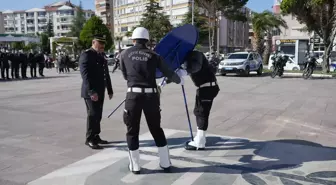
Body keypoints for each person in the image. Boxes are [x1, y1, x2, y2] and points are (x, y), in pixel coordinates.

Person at [120, 27, 182, 174]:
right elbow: (169, 74)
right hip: (151, 97)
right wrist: (178, 78)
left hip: (133, 96)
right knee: (156, 129)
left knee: (132, 130)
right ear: (147, 40)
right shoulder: (155, 55)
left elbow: (125, 76)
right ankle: (165, 163)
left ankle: (135, 166)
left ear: (133, 40)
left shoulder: (123, 54)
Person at [79, 34, 114, 150]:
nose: (103, 45)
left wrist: (109, 89)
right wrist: (91, 91)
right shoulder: (86, 55)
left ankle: (96, 135)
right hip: (91, 92)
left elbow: (106, 74)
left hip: (100, 90)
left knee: (98, 115)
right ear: (94, 42)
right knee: (92, 115)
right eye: (100, 43)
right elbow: (85, 76)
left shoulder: (101, 55)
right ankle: (89, 139)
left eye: (103, 43)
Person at [182, 50, 220, 150]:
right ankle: (200, 138)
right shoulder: (189, 56)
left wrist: (185, 70)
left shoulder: (195, 54)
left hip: (207, 88)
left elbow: (196, 67)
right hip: (205, 88)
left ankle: (200, 141)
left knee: (201, 113)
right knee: (199, 112)